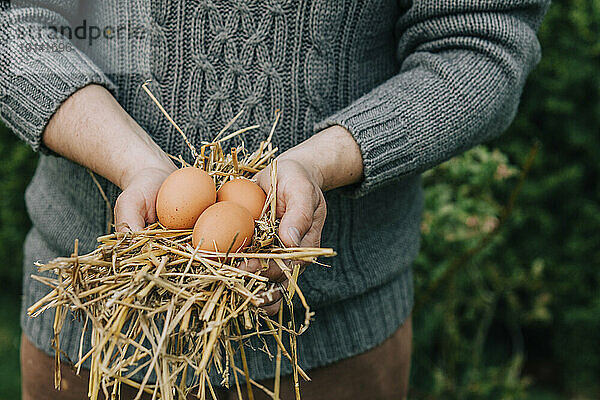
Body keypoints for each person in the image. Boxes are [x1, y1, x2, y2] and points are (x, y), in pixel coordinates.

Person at [0, 0, 549, 399]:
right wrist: (136, 165)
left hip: (330, 349)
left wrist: (317, 164)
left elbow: (478, 42)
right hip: (93, 330)